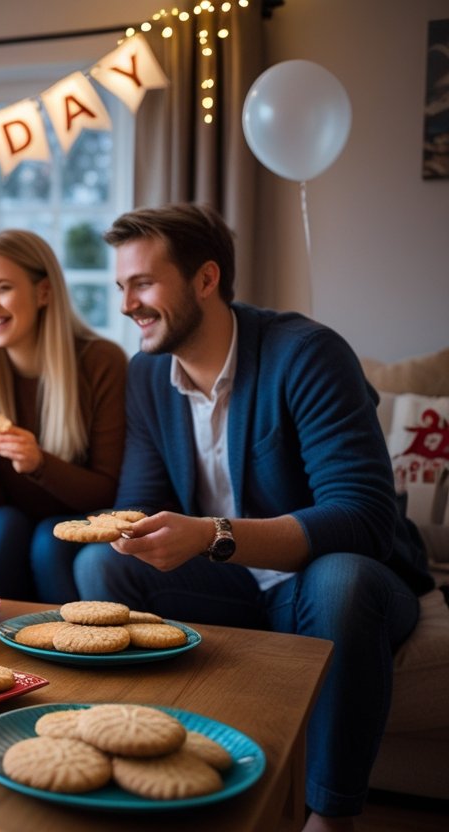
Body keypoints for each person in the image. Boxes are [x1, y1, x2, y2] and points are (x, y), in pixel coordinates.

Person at [71, 203, 432, 831]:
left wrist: (211, 535)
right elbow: (138, 499)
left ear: (206, 279)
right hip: (232, 588)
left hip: (333, 584)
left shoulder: (307, 354)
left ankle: (330, 816)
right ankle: (143, 759)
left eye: (143, 284)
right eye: (121, 286)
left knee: (340, 579)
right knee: (102, 566)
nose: (127, 305)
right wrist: (127, 530)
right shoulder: (148, 373)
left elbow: (364, 516)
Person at [0, 229, 127, 602]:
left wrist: (39, 464)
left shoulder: (101, 362)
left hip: (76, 521)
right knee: (2, 525)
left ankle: (68, 636)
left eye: (2, 288)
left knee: (50, 538)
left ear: (43, 292)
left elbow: (107, 491)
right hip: (8, 526)